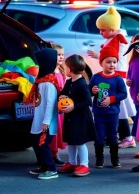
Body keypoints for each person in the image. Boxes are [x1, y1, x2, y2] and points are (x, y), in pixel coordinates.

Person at [87, 6, 137, 148]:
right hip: (114, 78)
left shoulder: (118, 39)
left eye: (103, 30)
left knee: (124, 109)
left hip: (117, 79)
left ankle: (132, 136)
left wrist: (99, 55)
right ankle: (125, 136)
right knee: (122, 109)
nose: (100, 32)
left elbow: (112, 55)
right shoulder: (114, 38)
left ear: (113, 29)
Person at [90, 45, 127, 169]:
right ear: (101, 63)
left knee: (112, 136)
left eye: (114, 62)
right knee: (99, 137)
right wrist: (93, 91)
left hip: (113, 113)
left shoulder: (118, 79)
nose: (112, 64)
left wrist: (111, 99)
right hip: (99, 113)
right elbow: (89, 91)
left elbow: (123, 94)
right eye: (108, 62)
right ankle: (99, 159)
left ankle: (114, 159)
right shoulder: (96, 77)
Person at [58, 54, 96, 177]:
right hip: (71, 118)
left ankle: (84, 164)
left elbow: (88, 101)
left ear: (71, 69)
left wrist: (74, 106)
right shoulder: (69, 82)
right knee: (71, 141)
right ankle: (72, 163)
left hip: (80, 118)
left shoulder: (82, 84)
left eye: (66, 67)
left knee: (79, 142)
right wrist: (62, 97)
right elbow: (63, 93)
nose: (65, 69)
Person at [27, 48, 61, 180]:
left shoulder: (49, 83)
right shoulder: (40, 81)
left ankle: (52, 169)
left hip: (45, 122)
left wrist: (46, 121)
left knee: (43, 144)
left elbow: (50, 103)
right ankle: (43, 166)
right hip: (38, 120)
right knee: (35, 142)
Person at [49, 44, 66, 166]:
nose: (61, 57)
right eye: (58, 55)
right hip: (52, 107)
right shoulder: (49, 73)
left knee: (59, 130)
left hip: (61, 107)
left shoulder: (61, 71)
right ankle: (51, 153)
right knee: (52, 131)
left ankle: (55, 153)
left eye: (62, 55)